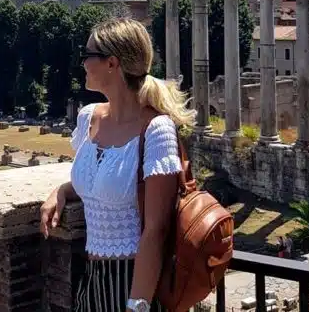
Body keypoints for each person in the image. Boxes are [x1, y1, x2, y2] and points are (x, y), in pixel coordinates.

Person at [40, 18, 196, 312]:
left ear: (112, 63)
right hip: (92, 280)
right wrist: (61, 191)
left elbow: (155, 230)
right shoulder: (88, 117)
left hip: (136, 281)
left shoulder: (156, 130)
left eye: (88, 55)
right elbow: (100, 181)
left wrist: (137, 305)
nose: (83, 62)